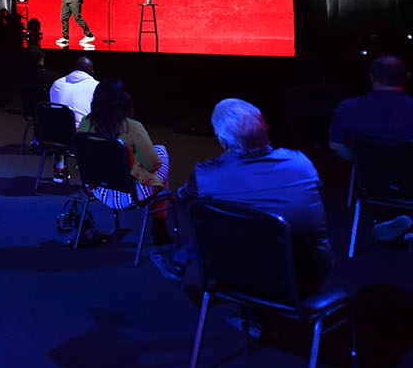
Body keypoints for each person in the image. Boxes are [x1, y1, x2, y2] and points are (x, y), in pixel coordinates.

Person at [152, 99, 333, 299]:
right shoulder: (301, 163)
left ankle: (179, 261)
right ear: (266, 128)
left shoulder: (206, 175)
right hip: (309, 276)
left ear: (222, 141)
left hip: (238, 277)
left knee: (212, 215)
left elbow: (182, 201)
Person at [328, 55, 413, 245]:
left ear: (371, 78)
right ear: (407, 76)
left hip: (372, 185)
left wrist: (361, 162)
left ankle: (391, 221)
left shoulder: (348, 107)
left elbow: (336, 145)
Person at [77, 79, 169, 237]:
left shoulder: (85, 122)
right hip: (131, 195)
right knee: (161, 151)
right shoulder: (132, 126)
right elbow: (153, 165)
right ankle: (159, 225)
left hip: (99, 190)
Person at [49, 55, 98, 182]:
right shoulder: (96, 86)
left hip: (53, 134)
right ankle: (92, 174)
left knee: (61, 123)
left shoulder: (57, 83)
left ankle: (60, 166)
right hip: (80, 136)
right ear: (91, 72)